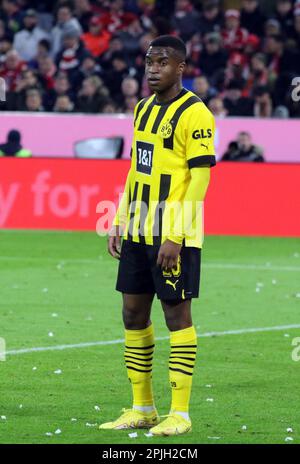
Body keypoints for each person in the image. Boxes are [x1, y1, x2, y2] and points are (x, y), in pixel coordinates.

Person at [100, 35, 216, 436]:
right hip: (138, 226)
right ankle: (143, 407)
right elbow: (137, 169)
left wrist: (177, 234)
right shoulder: (142, 109)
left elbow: (200, 177)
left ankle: (179, 413)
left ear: (181, 67)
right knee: (132, 313)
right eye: (150, 61)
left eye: (163, 62)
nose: (153, 69)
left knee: (175, 315)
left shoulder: (195, 113)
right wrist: (119, 217)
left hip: (174, 231)